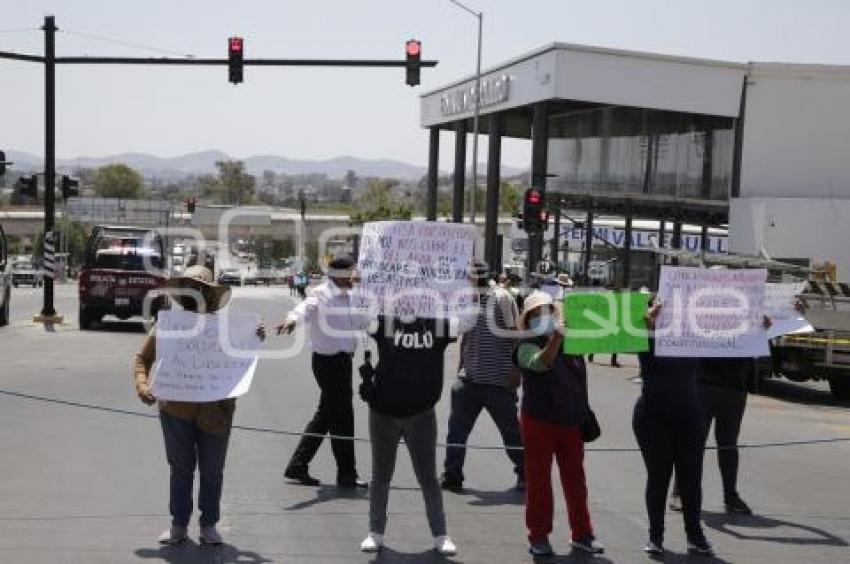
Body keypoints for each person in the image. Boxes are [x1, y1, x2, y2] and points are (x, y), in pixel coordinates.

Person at [133, 265, 266, 546]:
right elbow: (142, 360)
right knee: (180, 469)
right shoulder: (167, 325)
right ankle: (178, 525)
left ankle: (209, 524)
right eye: (191, 289)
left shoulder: (228, 329)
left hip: (216, 412)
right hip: (174, 412)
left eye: (202, 290)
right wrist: (143, 386)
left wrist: (255, 337)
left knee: (213, 470)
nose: (197, 295)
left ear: (210, 295)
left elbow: (243, 357)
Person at [358, 313, 473, 556]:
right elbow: (358, 317)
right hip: (383, 411)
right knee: (381, 476)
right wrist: (361, 287)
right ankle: (375, 532)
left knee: (428, 478)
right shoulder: (384, 320)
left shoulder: (436, 324)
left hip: (421, 413)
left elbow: (468, 321)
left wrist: (472, 288)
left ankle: (440, 534)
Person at [513, 291, 604, 557]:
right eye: (538, 312)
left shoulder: (571, 342)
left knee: (576, 481)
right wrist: (556, 339)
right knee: (539, 481)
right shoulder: (524, 345)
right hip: (539, 422)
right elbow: (540, 363)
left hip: (571, 421)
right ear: (529, 318)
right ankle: (539, 536)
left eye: (548, 310)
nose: (545, 316)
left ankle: (583, 533)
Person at [278, 254, 368, 489]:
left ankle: (344, 473)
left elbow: (362, 321)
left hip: (344, 362)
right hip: (327, 364)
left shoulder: (353, 295)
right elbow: (303, 309)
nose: (356, 276)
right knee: (330, 415)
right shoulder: (321, 294)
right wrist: (291, 321)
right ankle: (303, 465)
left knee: (340, 417)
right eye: (352, 272)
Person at [633, 300, 714, 556]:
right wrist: (646, 323)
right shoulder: (646, 334)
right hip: (652, 417)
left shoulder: (696, 336)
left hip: (689, 417)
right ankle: (655, 536)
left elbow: (738, 335)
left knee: (691, 480)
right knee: (658, 478)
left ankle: (695, 535)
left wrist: (763, 327)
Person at [441, 262, 524, 492]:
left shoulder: (501, 298)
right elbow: (465, 336)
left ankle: (526, 473)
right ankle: (452, 474)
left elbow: (515, 335)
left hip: (499, 380)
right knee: (456, 431)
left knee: (511, 433)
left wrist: (516, 371)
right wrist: (460, 368)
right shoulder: (466, 300)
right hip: (469, 380)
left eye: (471, 278)